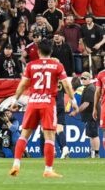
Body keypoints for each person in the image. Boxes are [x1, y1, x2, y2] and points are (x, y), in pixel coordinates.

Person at [9, 39, 78, 178]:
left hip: (33, 102)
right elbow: (67, 84)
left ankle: (16, 164)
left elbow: (22, 85)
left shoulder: (31, 65)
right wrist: (73, 100)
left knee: (24, 135)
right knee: (50, 136)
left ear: (38, 51)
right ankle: (48, 169)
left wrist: (15, 100)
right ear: (51, 51)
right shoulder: (57, 65)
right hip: (48, 103)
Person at [71, 72, 100, 158]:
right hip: (89, 115)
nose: (83, 80)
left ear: (89, 79)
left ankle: (96, 153)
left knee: (94, 134)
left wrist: (76, 111)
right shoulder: (87, 88)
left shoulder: (90, 88)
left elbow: (86, 103)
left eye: (85, 78)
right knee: (91, 135)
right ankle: (93, 153)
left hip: (92, 115)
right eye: (82, 78)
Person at [93, 58, 105, 158]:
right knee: (104, 130)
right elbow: (97, 92)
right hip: (104, 105)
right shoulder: (101, 74)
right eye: (104, 60)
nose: (104, 62)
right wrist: (95, 108)